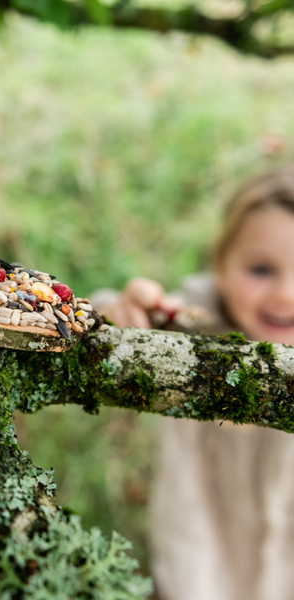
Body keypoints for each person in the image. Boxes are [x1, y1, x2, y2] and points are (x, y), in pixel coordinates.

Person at [92, 165, 294, 600]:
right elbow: (112, 317)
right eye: (261, 269)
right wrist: (117, 315)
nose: (286, 293)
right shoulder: (194, 327)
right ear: (221, 263)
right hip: (198, 570)